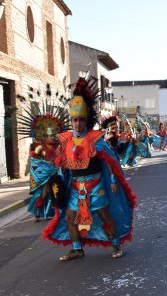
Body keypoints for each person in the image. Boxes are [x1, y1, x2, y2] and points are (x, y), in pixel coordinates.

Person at [43, 76, 137, 261]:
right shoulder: (66, 139)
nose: (77, 123)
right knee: (70, 216)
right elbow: (62, 163)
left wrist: (112, 180)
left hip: (95, 186)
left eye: (80, 120)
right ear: (71, 121)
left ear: (86, 121)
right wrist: (55, 180)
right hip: (75, 188)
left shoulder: (95, 139)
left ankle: (115, 244)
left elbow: (109, 161)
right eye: (74, 120)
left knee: (103, 214)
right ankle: (77, 249)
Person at [17, 102, 69, 221]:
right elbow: (34, 160)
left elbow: (63, 157)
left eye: (54, 135)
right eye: (50, 136)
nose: (52, 137)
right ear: (45, 136)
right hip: (45, 174)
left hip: (56, 173)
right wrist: (46, 164)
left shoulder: (59, 146)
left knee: (56, 193)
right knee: (42, 194)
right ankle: (37, 213)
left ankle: (57, 213)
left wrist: (57, 163)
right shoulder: (39, 146)